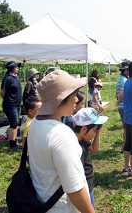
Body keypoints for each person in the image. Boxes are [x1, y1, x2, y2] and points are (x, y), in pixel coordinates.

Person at [27, 70, 94, 213]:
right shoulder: (61, 135)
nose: (76, 100)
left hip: (44, 203)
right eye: (74, 95)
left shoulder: (35, 123)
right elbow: (75, 189)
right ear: (61, 99)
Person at [73, 107, 108, 210]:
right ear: (83, 128)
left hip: (88, 184)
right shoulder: (74, 146)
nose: (93, 134)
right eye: (93, 130)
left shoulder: (82, 139)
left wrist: (98, 132)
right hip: (82, 187)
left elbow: (95, 149)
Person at [0, 61, 23, 149]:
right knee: (13, 124)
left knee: (16, 123)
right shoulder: (7, 78)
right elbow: (2, 92)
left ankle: (14, 140)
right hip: (10, 105)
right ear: (11, 68)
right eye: (15, 66)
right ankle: (12, 144)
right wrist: (8, 100)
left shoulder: (16, 78)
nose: (17, 67)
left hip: (17, 105)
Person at [116, 61, 130, 153]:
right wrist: (118, 102)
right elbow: (121, 94)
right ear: (125, 70)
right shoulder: (124, 80)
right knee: (126, 127)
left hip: (122, 107)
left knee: (126, 127)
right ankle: (125, 146)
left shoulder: (120, 78)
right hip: (123, 106)